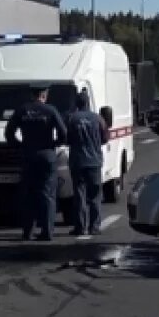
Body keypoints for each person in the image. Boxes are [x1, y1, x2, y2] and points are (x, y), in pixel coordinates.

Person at [5, 83, 67, 241]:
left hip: (28, 155)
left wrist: (20, 145)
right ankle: (47, 231)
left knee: (28, 194)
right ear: (44, 95)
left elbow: (8, 133)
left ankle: (27, 231)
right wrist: (54, 144)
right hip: (46, 155)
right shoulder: (50, 110)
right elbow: (63, 133)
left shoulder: (22, 110)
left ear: (32, 95)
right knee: (47, 195)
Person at [66, 90, 109, 237]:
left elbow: (68, 139)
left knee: (79, 195)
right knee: (95, 195)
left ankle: (80, 226)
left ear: (77, 104)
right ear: (88, 102)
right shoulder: (98, 119)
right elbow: (105, 138)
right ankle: (94, 226)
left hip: (77, 161)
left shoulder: (72, 119)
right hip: (94, 161)